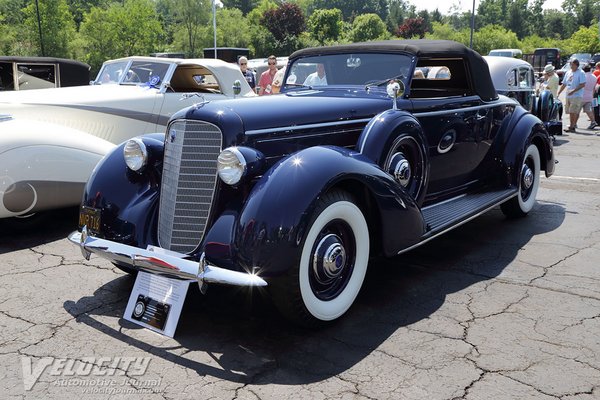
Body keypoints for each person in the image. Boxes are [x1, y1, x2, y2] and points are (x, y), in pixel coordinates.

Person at [557, 59, 586, 132]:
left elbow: (582, 84)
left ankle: (572, 126)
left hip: (577, 95)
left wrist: (573, 91)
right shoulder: (568, 72)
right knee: (569, 111)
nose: (571, 66)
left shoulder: (581, 73)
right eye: (570, 64)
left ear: (576, 65)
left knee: (573, 111)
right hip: (568, 95)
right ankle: (572, 125)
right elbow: (564, 84)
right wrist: (559, 92)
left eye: (572, 64)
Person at [581, 63, 598, 129]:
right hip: (590, 95)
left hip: (582, 95)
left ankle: (573, 124)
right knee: (589, 110)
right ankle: (593, 121)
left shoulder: (583, 76)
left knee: (576, 111)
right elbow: (594, 87)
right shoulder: (594, 77)